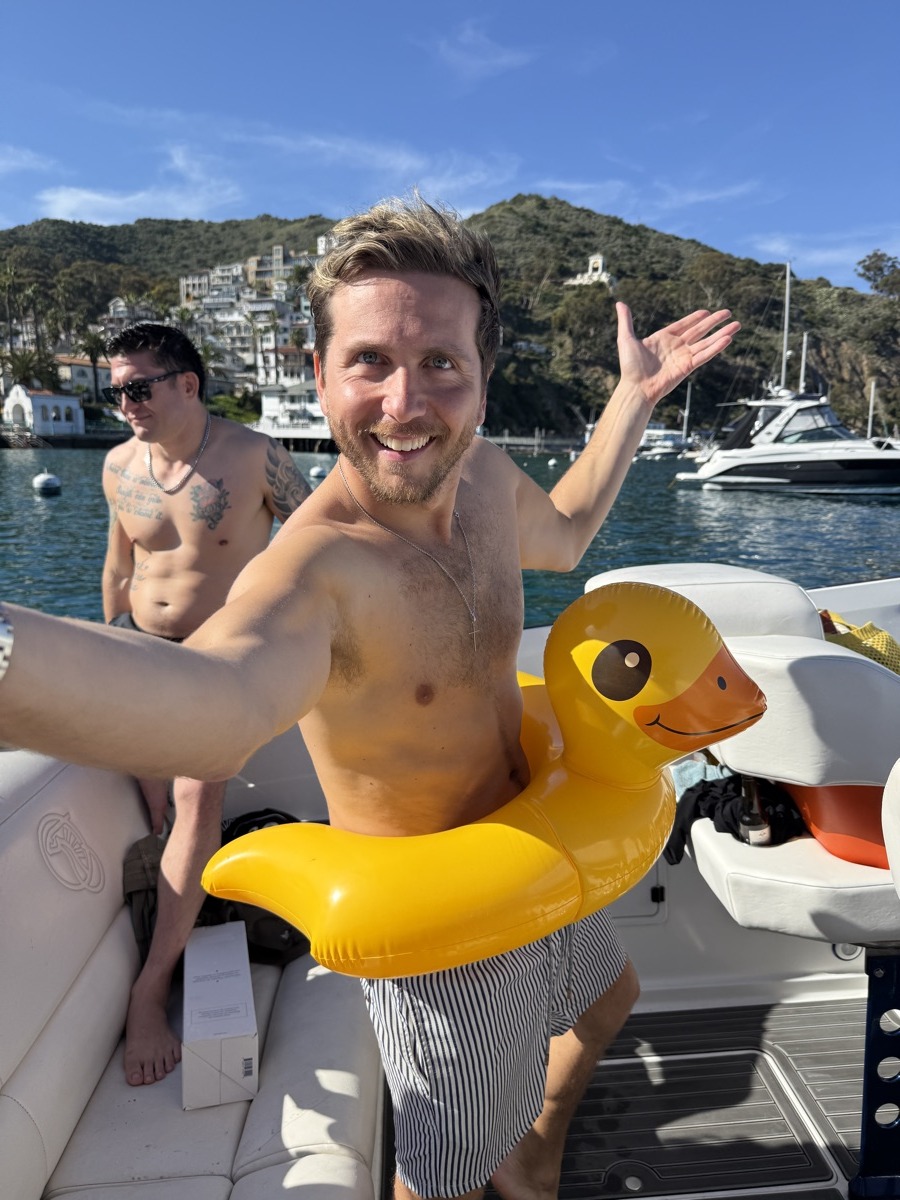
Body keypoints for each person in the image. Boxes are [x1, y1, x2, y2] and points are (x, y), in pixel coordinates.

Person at [0, 197, 739, 1200]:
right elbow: (216, 697)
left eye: (441, 363)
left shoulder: (479, 476)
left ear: (481, 378)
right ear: (318, 374)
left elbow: (563, 536)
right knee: (440, 1181)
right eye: (369, 364)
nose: (404, 405)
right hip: (444, 927)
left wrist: (632, 399)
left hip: (536, 839)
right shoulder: (315, 573)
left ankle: (536, 1154)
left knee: (609, 1005)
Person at [99, 322, 311, 1088]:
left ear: (187, 383)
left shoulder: (255, 457)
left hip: (221, 658)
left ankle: (149, 990)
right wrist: (114, 666)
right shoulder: (119, 463)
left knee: (194, 793)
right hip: (143, 654)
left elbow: (316, 540)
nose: (122, 402)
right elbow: (119, 568)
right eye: (114, 388)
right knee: (150, 787)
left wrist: (282, 635)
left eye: (136, 386)